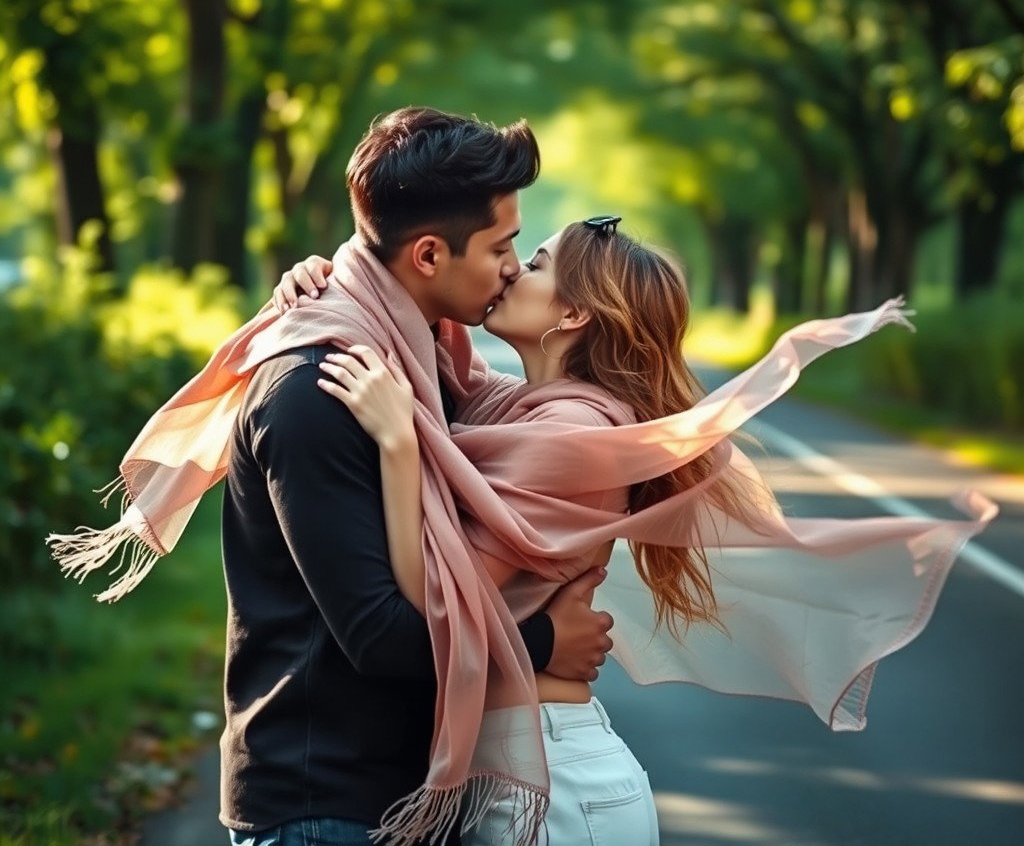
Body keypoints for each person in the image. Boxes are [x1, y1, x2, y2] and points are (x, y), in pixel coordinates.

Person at [273, 218, 998, 846]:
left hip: (557, 789)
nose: (508, 271)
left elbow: (433, 601)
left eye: (534, 265)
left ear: (574, 315)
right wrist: (336, 279)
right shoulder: (522, 409)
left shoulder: (574, 433)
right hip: (533, 775)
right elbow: (434, 363)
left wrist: (401, 447)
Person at [47, 107, 619, 846]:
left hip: (394, 794)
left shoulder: (421, 366)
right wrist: (543, 642)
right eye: (502, 246)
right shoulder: (317, 391)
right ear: (427, 258)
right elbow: (380, 635)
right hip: (323, 802)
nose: (512, 266)